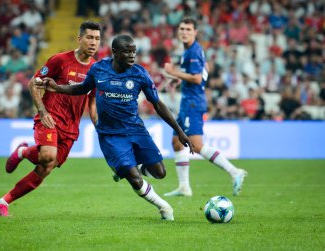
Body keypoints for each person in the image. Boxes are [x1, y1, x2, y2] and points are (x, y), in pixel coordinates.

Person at [36, 34, 193, 220]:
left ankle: (124, 170)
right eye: (127, 52)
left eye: (134, 52)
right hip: (111, 135)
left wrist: (180, 131)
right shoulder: (98, 69)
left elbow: (158, 104)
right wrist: (58, 88)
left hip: (136, 129)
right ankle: (164, 208)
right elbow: (82, 88)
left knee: (160, 173)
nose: (132, 56)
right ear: (115, 53)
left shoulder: (140, 73)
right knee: (134, 178)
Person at [0, 21, 102, 216]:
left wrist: (99, 127)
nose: (94, 42)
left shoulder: (96, 71)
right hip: (50, 116)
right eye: (89, 37)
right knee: (48, 156)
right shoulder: (60, 60)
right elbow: (34, 83)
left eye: (97, 39)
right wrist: (42, 111)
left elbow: (92, 103)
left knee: (46, 167)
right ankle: (24, 152)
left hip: (71, 127)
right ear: (79, 39)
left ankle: (3, 201)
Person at [163, 17, 247, 197]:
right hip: (189, 100)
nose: (184, 32)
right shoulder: (190, 51)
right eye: (182, 29)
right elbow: (205, 71)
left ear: (195, 32)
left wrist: (173, 73)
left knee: (196, 145)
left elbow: (197, 78)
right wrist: (179, 80)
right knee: (177, 142)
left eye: (188, 29)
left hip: (193, 103)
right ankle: (184, 187)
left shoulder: (193, 51)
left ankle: (235, 172)